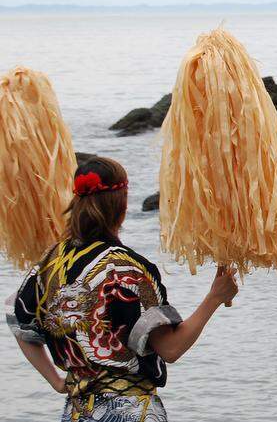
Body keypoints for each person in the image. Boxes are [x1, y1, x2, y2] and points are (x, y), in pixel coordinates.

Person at [5, 156, 239, 422]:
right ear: (122, 205)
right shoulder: (127, 269)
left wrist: (57, 381)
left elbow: (19, 324)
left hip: (77, 412)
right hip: (130, 411)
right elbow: (171, 348)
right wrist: (214, 297)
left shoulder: (49, 264)